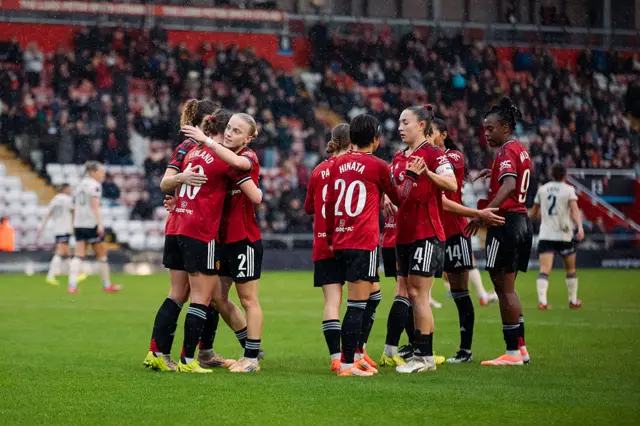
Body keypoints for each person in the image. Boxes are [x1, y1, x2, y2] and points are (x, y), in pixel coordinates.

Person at [182, 112, 265, 373]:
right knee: (217, 298)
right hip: (221, 239)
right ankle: (249, 347)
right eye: (228, 128)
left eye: (237, 131)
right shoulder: (219, 156)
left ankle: (251, 358)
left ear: (248, 138)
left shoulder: (247, 157)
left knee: (248, 299)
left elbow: (257, 196)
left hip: (244, 239)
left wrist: (207, 141)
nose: (229, 133)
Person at [324, 114, 406, 377]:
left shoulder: (336, 164)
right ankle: (349, 364)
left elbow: (329, 204)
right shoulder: (378, 166)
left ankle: (354, 357)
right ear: (375, 139)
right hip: (363, 241)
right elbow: (399, 197)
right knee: (357, 305)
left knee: (365, 299)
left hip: (339, 239)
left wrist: (330, 235)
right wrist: (412, 176)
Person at [428, 118, 504, 364]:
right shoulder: (424, 157)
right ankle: (417, 347)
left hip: (453, 232)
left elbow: (441, 186)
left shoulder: (454, 158)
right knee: (413, 291)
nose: (427, 136)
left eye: (432, 132)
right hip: (428, 231)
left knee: (460, 291)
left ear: (444, 135)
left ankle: (465, 350)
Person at [466, 97, 534, 366]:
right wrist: (491, 171)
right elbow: (511, 178)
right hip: (521, 222)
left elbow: (509, 185)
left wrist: (485, 215)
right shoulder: (519, 150)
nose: (486, 134)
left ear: (505, 127)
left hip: (505, 223)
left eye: (490, 129)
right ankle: (521, 347)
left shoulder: (506, 152)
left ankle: (513, 353)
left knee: (504, 290)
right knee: (509, 289)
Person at [391, 105, 458, 374]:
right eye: (398, 121)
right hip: (403, 235)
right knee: (410, 293)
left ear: (421, 125)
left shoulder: (433, 154)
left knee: (419, 294)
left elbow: (451, 184)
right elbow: (398, 192)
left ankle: (424, 356)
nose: (399, 127)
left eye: (405, 122)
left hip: (426, 233)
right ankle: (423, 356)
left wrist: (426, 173)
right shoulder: (398, 157)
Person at [304, 123, 352, 372]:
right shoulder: (353, 168)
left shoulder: (318, 170)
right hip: (350, 241)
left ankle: (336, 358)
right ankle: (356, 353)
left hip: (323, 242)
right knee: (362, 300)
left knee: (332, 302)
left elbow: (309, 207)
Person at [529, 163, 585, 310]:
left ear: (551, 174)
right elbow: (574, 210)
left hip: (546, 235)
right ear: (565, 175)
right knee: (570, 270)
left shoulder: (543, 189)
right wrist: (579, 227)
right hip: (564, 234)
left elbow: (533, 213)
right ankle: (572, 301)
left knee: (544, 270)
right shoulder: (569, 190)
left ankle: (543, 302)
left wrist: (523, 218)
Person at [68, 161, 120, 294]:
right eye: (100, 171)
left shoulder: (78, 185)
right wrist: (100, 223)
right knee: (101, 254)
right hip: (91, 223)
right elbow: (94, 205)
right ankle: (106, 284)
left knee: (79, 254)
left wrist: (73, 223)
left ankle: (72, 285)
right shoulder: (95, 185)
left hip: (79, 223)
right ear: (93, 172)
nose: (102, 174)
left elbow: (73, 206)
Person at [38, 184, 82, 285]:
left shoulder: (55, 199)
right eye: (70, 188)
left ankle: (73, 274)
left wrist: (43, 227)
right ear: (65, 189)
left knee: (66, 253)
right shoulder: (68, 199)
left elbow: (49, 213)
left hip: (57, 228)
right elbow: (74, 213)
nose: (71, 190)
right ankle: (51, 276)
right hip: (65, 228)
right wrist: (75, 226)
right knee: (60, 252)